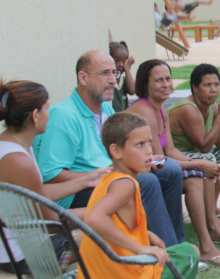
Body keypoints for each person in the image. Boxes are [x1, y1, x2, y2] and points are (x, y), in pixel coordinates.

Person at [33, 50, 185, 248]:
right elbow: (50, 175)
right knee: (144, 182)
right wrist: (94, 176)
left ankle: (175, 245)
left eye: (114, 73)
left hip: (109, 179)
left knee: (170, 170)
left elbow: (116, 151)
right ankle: (166, 253)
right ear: (83, 77)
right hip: (74, 196)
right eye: (105, 73)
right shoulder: (63, 117)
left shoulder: (105, 108)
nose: (113, 80)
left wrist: (141, 158)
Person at [126, 60, 220, 267]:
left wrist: (195, 163)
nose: (166, 84)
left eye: (168, 79)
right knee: (197, 173)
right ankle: (205, 243)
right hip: (142, 174)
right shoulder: (143, 110)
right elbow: (158, 159)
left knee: (199, 172)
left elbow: (169, 150)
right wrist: (197, 163)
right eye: (159, 80)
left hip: (159, 167)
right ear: (146, 83)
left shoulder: (160, 109)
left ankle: (206, 237)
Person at [0, 79, 110, 275]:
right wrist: (100, 209)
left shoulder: (11, 145)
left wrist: (85, 180)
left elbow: (37, 194)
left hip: (12, 249)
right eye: (47, 109)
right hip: (23, 256)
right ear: (35, 116)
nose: (49, 115)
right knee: (107, 232)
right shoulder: (19, 160)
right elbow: (52, 224)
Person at [78, 112, 199, 279]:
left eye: (149, 142)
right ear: (116, 151)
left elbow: (116, 222)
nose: (149, 151)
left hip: (96, 273)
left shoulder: (109, 179)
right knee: (190, 252)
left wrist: (146, 235)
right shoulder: (125, 184)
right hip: (125, 273)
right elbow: (94, 218)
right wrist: (140, 248)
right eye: (139, 145)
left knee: (182, 251)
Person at [167, 64, 220, 229]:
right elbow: (204, 148)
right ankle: (210, 220)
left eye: (216, 84)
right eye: (207, 85)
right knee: (209, 158)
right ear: (195, 88)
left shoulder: (213, 107)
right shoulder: (188, 108)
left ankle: (212, 207)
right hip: (173, 155)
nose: (213, 90)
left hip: (193, 152)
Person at [109, 41, 136, 112]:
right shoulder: (108, 80)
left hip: (123, 119)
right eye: (117, 61)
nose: (121, 65)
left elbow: (132, 91)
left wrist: (127, 69)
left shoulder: (124, 80)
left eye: (124, 62)